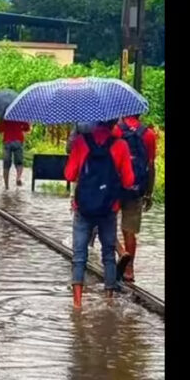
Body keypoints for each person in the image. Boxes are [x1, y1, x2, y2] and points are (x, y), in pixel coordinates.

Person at [64, 120, 135, 308]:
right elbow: (129, 181)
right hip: (109, 208)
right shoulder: (121, 145)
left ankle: (77, 305)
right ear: (113, 123)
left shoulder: (80, 142)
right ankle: (109, 300)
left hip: (83, 207)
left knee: (79, 255)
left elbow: (69, 175)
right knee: (108, 255)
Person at [115, 114, 156, 283]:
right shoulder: (148, 134)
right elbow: (151, 164)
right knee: (130, 230)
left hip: (114, 187)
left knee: (104, 223)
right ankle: (130, 270)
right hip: (136, 188)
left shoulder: (115, 130)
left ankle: (120, 252)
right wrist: (149, 192)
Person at [0, 119, 31, 189]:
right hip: (18, 141)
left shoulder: (5, 116)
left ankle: (6, 186)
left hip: (7, 141)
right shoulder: (20, 115)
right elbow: (27, 128)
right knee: (19, 162)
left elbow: (0, 129)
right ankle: (18, 178)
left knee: (6, 165)